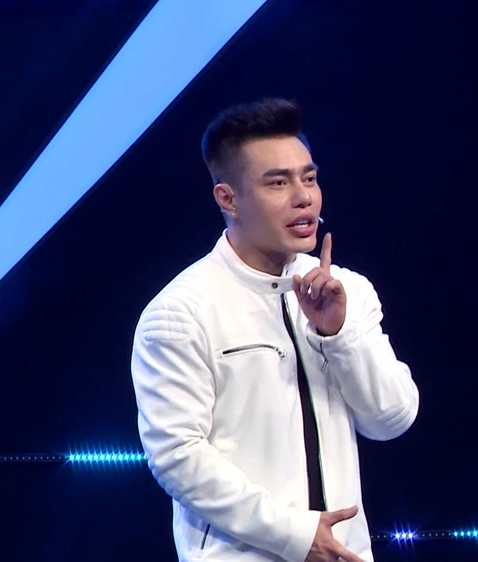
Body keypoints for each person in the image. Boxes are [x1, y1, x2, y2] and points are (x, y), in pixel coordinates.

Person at [130, 98, 418, 562]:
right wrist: (296, 535)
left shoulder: (348, 290)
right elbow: (178, 456)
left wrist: (338, 336)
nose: (304, 197)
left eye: (310, 178)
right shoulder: (181, 311)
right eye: (278, 182)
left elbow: (392, 419)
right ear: (227, 198)